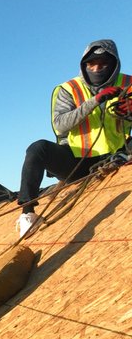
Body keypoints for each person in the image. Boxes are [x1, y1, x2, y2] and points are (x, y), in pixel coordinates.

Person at [16, 39, 132, 239]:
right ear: (84, 65)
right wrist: (94, 101)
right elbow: (60, 124)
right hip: (77, 163)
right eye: (91, 64)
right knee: (38, 148)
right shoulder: (68, 89)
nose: (96, 68)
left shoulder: (129, 84)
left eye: (103, 64)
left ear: (114, 64)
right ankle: (27, 213)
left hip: (119, 154)